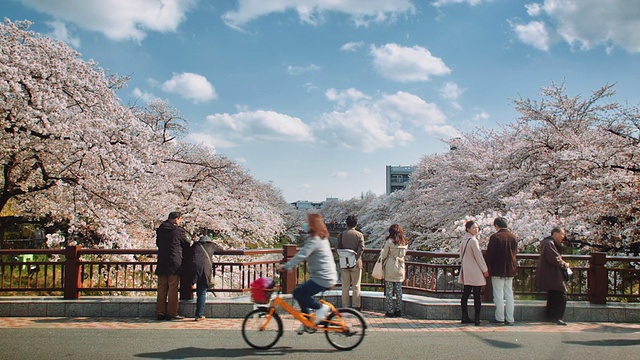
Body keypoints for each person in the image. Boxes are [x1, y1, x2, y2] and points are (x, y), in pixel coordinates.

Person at [281, 213, 338, 334]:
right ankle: (307, 322)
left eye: (308, 222)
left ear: (313, 225)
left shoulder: (315, 240)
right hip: (326, 276)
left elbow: (302, 254)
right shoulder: (322, 238)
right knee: (302, 293)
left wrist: (286, 266)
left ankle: (320, 308)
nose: (306, 224)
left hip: (323, 277)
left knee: (298, 292)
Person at [155, 211, 192, 320]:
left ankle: (160, 312)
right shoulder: (178, 230)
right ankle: (172, 313)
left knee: (161, 288)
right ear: (177, 219)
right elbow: (187, 243)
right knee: (173, 288)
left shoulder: (160, 229)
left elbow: (158, 244)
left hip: (162, 261)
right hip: (174, 262)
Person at [535, 227, 571, 326]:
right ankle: (556, 317)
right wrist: (565, 264)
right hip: (553, 274)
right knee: (561, 294)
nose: (563, 237)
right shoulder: (549, 243)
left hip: (551, 274)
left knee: (554, 295)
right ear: (555, 233)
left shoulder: (549, 243)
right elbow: (555, 259)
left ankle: (550, 317)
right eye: (562, 234)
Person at [486, 216, 518, 325]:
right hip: (510, 269)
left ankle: (499, 318)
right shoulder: (513, 237)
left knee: (498, 294)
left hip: (497, 269)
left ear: (496, 226)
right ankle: (510, 318)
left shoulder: (495, 237)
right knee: (509, 294)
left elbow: (490, 254)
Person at [458, 220, 489, 326]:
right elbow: (479, 257)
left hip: (466, 271)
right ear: (468, 229)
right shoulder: (473, 241)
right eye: (474, 228)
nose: (476, 230)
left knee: (466, 294)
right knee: (476, 295)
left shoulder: (464, 240)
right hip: (475, 271)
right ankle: (477, 318)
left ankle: (464, 316)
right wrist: (485, 270)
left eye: (477, 228)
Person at [336, 215, 365, 311]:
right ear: (356, 224)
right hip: (356, 263)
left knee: (345, 285)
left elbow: (338, 248)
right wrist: (355, 258)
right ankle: (356, 305)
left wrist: (344, 257)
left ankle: (345, 305)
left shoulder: (341, 235)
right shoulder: (359, 235)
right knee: (356, 285)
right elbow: (361, 248)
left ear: (346, 223)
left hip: (344, 263)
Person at [380, 224, 409, 317]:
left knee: (389, 290)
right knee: (399, 290)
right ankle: (398, 310)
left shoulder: (389, 242)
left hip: (390, 266)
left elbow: (384, 255)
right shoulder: (405, 242)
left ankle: (390, 311)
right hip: (400, 266)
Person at [192, 234, 222, 321]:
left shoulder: (195, 245)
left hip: (194, 269)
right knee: (202, 292)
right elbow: (221, 250)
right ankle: (199, 315)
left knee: (199, 292)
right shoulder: (212, 245)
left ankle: (199, 314)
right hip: (205, 270)